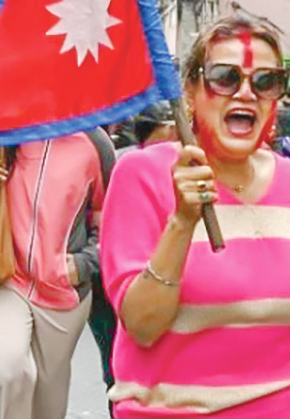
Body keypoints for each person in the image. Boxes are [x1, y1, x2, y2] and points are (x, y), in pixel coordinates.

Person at [100, 16, 290, 418]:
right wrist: (182, 220)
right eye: (225, 78)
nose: (246, 93)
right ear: (190, 91)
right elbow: (142, 323)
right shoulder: (142, 175)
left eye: (265, 81)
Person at [0, 127, 115, 419]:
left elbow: (111, 213)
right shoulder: (2, 130)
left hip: (65, 290)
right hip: (2, 276)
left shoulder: (93, 140)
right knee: (5, 371)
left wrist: (84, 262)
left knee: (49, 404)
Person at [89, 102, 179, 414]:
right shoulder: (128, 165)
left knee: (117, 368)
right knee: (119, 363)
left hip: (113, 277)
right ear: (166, 128)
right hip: (113, 279)